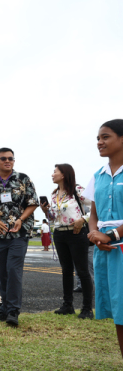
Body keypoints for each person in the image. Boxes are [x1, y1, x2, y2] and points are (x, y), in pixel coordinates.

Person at [0, 147, 38, 327]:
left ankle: (13, 311)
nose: (7, 161)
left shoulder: (23, 179)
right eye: (3, 158)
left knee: (13, 270)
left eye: (11, 158)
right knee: (2, 271)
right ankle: (4, 308)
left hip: (19, 232)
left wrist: (21, 219)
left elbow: (33, 203)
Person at [84, 119, 123, 357]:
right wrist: (95, 235)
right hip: (106, 249)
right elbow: (93, 215)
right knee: (119, 312)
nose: (100, 142)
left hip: (117, 243)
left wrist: (111, 235)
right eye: (98, 138)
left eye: (105, 137)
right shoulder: (98, 175)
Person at [40, 164, 93, 319]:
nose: (52, 174)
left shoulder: (77, 190)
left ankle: (87, 308)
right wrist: (45, 211)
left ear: (63, 174)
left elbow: (97, 206)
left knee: (82, 271)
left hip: (76, 233)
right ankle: (68, 305)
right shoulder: (54, 193)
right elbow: (53, 217)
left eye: (55, 172)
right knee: (66, 270)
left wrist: (83, 219)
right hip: (60, 234)